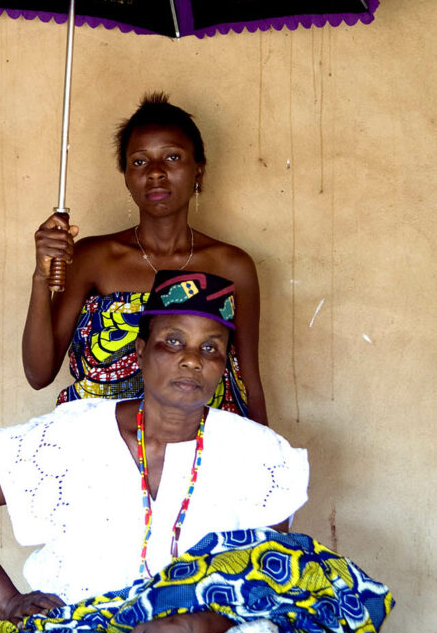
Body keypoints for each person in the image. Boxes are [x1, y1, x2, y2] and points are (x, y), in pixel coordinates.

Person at [0, 272, 393, 633]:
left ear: (222, 367)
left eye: (211, 349)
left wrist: (187, 627)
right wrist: (7, 603)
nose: (192, 359)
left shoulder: (260, 455)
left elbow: (261, 584)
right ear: (141, 352)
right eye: (172, 342)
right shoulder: (71, 435)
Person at [22, 93, 267, 423]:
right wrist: (41, 277)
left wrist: (269, 466)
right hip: (101, 448)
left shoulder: (232, 266)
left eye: (172, 158)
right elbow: (39, 374)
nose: (155, 172)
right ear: (126, 176)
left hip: (201, 452)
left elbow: (248, 383)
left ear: (198, 170)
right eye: (139, 161)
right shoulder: (93, 258)